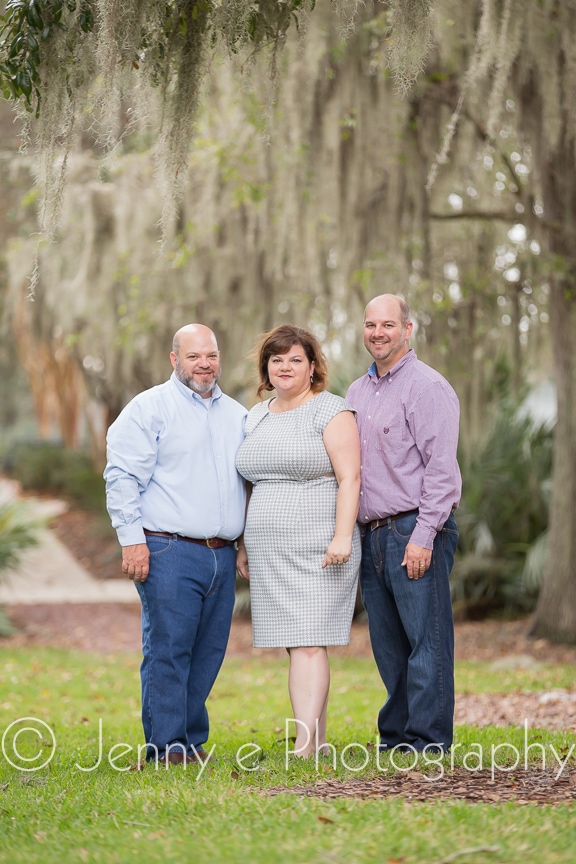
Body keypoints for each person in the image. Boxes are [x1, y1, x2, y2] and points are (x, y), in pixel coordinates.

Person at [104, 324, 247, 767]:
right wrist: (132, 541)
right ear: (174, 360)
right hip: (168, 549)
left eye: (211, 355)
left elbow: (245, 484)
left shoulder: (239, 415)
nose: (204, 364)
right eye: (193, 356)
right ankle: (167, 746)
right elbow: (122, 477)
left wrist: (243, 544)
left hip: (222, 553)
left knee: (208, 650)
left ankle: (190, 738)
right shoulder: (150, 409)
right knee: (169, 648)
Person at [235, 324, 361, 758]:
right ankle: (319, 740)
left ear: (312, 367)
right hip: (269, 548)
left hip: (321, 545)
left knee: (309, 641)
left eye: (295, 360)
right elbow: (249, 485)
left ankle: (304, 746)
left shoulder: (332, 410)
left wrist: (342, 536)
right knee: (300, 642)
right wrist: (244, 544)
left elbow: (351, 478)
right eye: (276, 360)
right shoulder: (256, 415)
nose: (285, 367)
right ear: (266, 368)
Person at [346, 295, 461, 755]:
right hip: (372, 535)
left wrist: (424, 535)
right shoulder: (356, 393)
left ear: (407, 329)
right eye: (371, 324)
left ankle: (428, 740)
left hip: (415, 528)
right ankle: (397, 737)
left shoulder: (427, 387)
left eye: (388, 324)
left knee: (426, 641)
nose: (378, 332)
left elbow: (440, 469)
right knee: (389, 646)